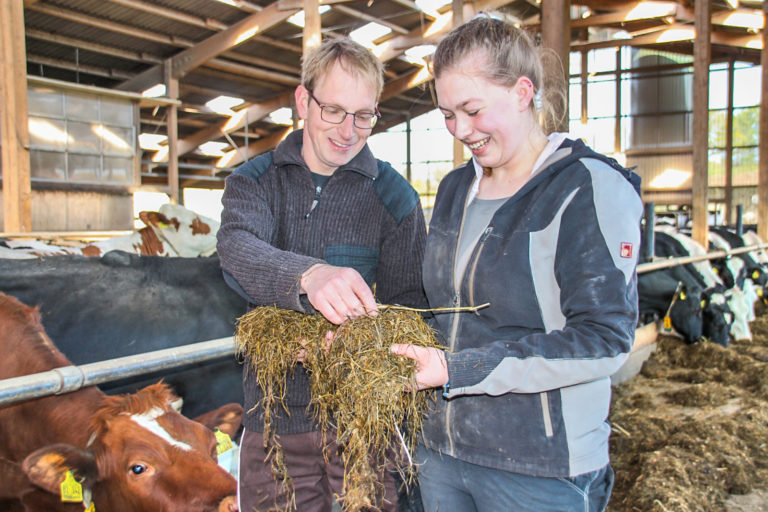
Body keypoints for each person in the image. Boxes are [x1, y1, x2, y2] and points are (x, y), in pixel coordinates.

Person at [390, 14, 643, 512]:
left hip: (539, 467)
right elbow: (442, 309)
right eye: (446, 115)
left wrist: (458, 369)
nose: (460, 130)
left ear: (523, 91)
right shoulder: (453, 190)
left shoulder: (584, 187)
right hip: (441, 452)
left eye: (472, 109)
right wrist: (373, 333)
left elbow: (604, 340)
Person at [217, 37, 427, 512]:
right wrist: (308, 275)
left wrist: (360, 345)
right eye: (333, 110)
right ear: (302, 102)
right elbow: (236, 250)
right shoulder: (254, 181)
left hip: (361, 428)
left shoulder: (394, 199)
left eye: (363, 115)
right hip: (273, 425)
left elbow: (411, 305)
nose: (348, 130)